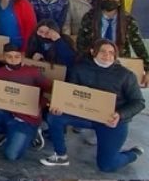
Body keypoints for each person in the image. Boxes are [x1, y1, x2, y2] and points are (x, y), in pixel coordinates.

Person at [41, 39, 145, 171]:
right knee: (54, 116)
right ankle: (60, 155)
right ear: (93, 52)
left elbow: (139, 102)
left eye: (111, 52)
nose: (107, 55)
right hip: (85, 115)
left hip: (111, 121)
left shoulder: (126, 75)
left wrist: (120, 115)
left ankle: (133, 154)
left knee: (107, 166)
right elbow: (70, 93)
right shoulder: (79, 69)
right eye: (103, 51)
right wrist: (60, 106)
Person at [0, 43, 51, 160]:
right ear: (4, 57)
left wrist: (40, 105)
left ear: (22, 56)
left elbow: (49, 90)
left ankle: (34, 133)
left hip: (25, 119)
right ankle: (6, 132)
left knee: (11, 155)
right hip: (7, 113)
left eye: (16, 56)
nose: (13, 60)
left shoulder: (32, 72)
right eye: (9, 56)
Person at [76, 0, 149, 86]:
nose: (109, 0)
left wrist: (147, 68)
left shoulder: (128, 20)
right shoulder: (89, 17)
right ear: (100, 0)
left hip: (120, 63)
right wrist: (84, 62)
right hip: (94, 62)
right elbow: (81, 42)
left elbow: (138, 45)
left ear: (119, 2)